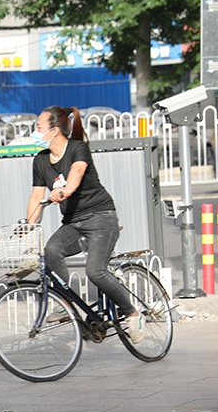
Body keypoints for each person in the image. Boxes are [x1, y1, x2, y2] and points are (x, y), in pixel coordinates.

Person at [26, 106, 145, 344]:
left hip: (101, 217)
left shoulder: (77, 148)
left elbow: (77, 171)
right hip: (72, 222)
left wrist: (65, 190)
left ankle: (132, 314)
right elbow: (36, 196)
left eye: (38, 127)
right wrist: (28, 227)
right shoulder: (40, 160)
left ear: (54, 130)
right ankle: (65, 304)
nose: (35, 132)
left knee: (95, 271)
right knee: (52, 250)